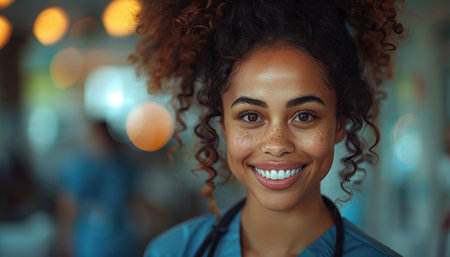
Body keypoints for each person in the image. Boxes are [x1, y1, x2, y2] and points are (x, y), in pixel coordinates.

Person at [131, 0, 404, 256]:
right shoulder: (172, 251)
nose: (276, 144)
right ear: (223, 124)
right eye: (251, 117)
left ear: (339, 123)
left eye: (305, 116)